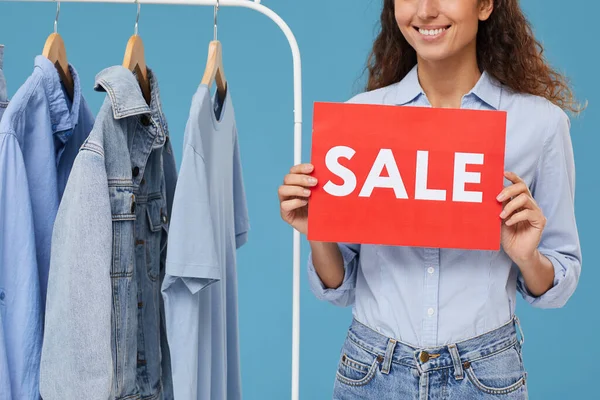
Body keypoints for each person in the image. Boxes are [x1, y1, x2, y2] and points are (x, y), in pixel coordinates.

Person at [278, 0, 582, 398]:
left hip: (485, 374)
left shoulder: (539, 125)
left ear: (486, 5)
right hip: (370, 370)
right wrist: (317, 228)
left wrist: (527, 257)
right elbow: (341, 285)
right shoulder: (362, 117)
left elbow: (561, 274)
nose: (425, 10)